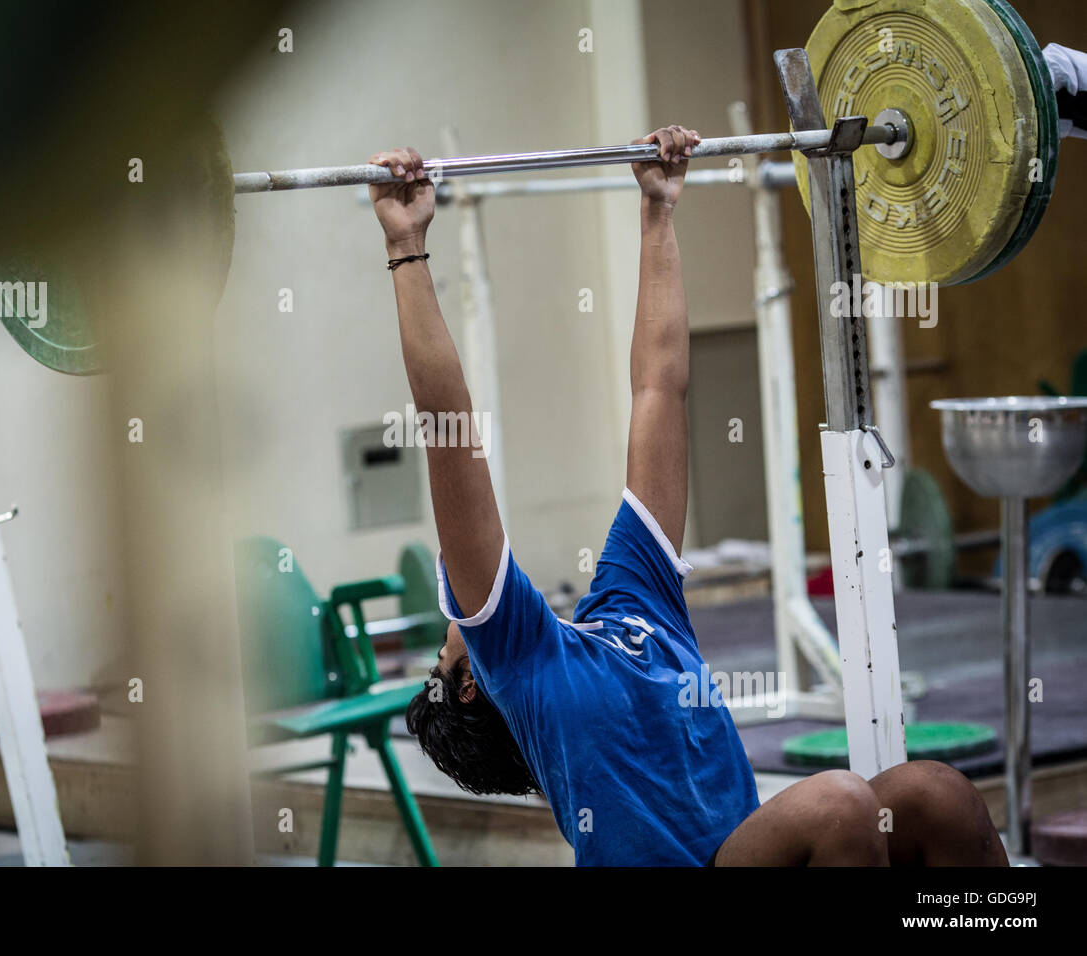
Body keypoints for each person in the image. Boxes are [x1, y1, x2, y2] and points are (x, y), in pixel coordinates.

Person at [368, 127, 1008, 867]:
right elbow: (450, 432)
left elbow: (659, 388)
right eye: (437, 661)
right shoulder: (520, 660)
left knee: (935, 793)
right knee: (837, 802)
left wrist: (659, 210)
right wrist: (406, 248)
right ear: (472, 686)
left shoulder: (634, 607)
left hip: (746, 855)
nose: (446, 636)